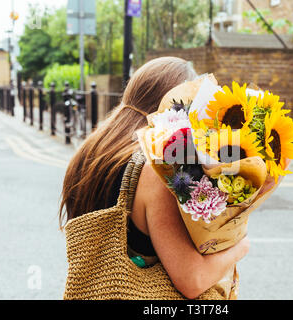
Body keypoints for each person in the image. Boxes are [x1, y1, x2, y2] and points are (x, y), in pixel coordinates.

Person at [59, 57, 250, 299]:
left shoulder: (91, 151)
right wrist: (239, 246)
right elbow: (192, 279)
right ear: (178, 106)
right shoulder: (153, 168)